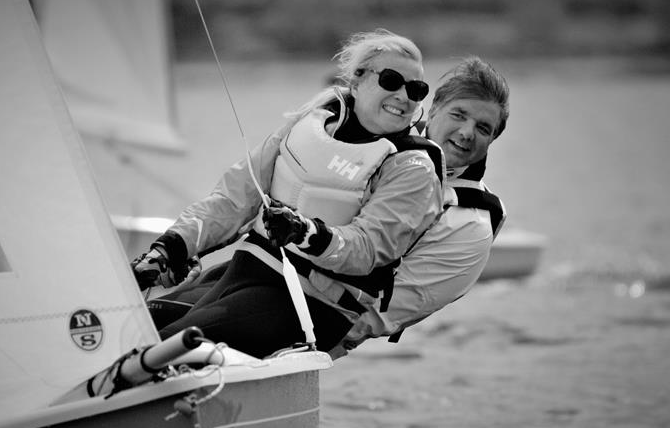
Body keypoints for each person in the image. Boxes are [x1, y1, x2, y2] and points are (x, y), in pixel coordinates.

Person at [132, 29, 444, 358]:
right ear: (356, 80)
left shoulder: (412, 167)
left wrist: (307, 233)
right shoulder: (307, 125)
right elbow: (235, 199)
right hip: (246, 272)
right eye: (392, 80)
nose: (405, 96)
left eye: (416, 89)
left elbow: (369, 247)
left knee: (161, 346)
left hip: (313, 304)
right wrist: (170, 247)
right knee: (135, 325)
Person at [329, 55, 510, 358]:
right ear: (434, 108)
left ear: (492, 139)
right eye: (459, 115)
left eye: (483, 128)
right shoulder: (376, 134)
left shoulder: (471, 228)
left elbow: (375, 316)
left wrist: (301, 339)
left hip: (314, 326)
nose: (467, 132)